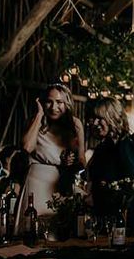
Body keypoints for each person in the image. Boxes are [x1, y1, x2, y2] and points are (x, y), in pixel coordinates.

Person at [15, 83, 86, 232]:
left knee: (58, 232)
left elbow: (81, 161)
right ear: (42, 102)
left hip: (61, 184)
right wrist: (39, 115)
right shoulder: (34, 121)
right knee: (32, 231)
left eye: (59, 102)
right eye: (49, 101)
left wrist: (71, 163)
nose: (54, 107)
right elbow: (27, 147)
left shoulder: (75, 125)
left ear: (67, 103)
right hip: (36, 181)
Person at [87, 97, 134, 217]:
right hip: (101, 214)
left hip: (118, 218)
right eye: (94, 118)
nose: (95, 123)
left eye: (100, 119)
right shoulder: (103, 147)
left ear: (112, 118)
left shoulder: (124, 145)